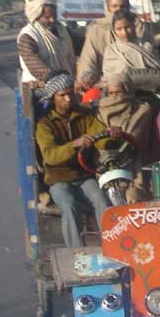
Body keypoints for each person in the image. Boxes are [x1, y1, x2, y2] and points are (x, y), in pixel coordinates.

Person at [35, 71, 110, 247]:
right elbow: (51, 157)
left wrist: (111, 135)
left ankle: (112, 248)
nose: (68, 99)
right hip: (58, 180)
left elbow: (101, 137)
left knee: (101, 200)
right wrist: (74, 144)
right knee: (68, 205)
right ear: (53, 97)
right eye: (62, 95)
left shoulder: (83, 115)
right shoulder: (45, 124)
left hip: (84, 176)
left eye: (70, 93)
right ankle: (77, 254)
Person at [88, 73, 153, 201]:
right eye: (111, 93)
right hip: (105, 166)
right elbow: (97, 139)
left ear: (127, 90)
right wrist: (107, 136)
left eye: (119, 92)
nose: (115, 97)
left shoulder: (141, 110)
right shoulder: (99, 111)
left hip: (134, 164)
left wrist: (121, 135)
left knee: (133, 196)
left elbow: (135, 139)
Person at [77, 0, 154, 89]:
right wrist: (87, 74)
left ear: (128, 7)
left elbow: (150, 57)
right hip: (107, 87)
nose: (119, 10)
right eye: (115, 6)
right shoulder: (96, 30)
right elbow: (88, 59)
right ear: (108, 7)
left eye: (122, 6)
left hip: (138, 85)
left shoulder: (140, 28)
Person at [17, 0, 76, 84]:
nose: (52, 20)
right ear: (36, 17)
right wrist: (52, 76)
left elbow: (84, 46)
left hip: (67, 82)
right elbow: (33, 63)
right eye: (47, 17)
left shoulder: (63, 30)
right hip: (40, 87)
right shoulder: (28, 36)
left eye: (54, 15)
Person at [101, 9, 160, 85]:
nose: (124, 32)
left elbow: (159, 73)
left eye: (127, 27)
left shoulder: (145, 46)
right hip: (122, 92)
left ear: (133, 25)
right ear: (113, 31)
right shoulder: (111, 51)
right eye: (119, 29)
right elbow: (109, 78)